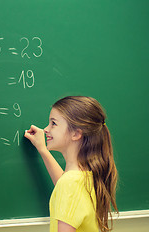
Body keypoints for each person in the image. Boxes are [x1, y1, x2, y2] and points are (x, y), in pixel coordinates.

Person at [24, 96, 118, 232]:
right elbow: (64, 184)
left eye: (53, 124)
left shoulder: (70, 183)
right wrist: (42, 150)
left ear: (76, 133)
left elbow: (66, 185)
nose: (46, 129)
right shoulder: (84, 176)